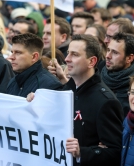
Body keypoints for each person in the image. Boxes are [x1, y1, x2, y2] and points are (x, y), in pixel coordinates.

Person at [29, 34, 124, 165]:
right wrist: (34, 104)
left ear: (92, 61)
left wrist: (81, 152)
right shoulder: (64, 92)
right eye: (68, 53)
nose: (67, 59)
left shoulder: (106, 102)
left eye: (75, 54)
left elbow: (115, 152)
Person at [0, 33, 62, 97]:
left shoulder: (50, 85)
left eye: (18, 53)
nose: (11, 57)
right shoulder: (13, 81)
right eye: (12, 52)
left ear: (34, 57)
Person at [101, 33, 134, 116]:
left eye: (115, 53)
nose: (108, 56)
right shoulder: (98, 73)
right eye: (108, 50)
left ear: (129, 58)